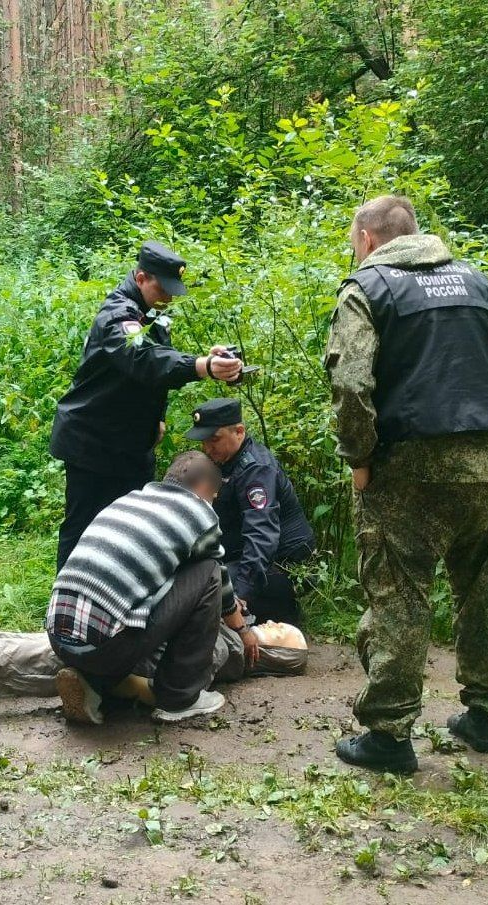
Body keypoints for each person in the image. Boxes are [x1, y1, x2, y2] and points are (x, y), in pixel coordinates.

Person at [324, 195, 488, 774]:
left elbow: (351, 383)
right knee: (480, 591)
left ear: (367, 238)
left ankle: (390, 736)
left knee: (399, 597)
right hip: (485, 462)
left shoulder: (366, 289)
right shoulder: (477, 285)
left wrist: (359, 457)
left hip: (406, 470)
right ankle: (486, 716)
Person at [50, 241, 243, 570]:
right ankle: (65, 598)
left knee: (130, 527)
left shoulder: (152, 313)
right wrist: (201, 366)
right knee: (84, 528)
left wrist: (159, 417)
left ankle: (118, 595)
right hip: (91, 442)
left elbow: (158, 371)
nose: (169, 298)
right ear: (141, 278)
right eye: (163, 289)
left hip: (131, 444)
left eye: (173, 290)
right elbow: (143, 359)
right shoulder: (117, 314)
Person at [47, 450, 256, 725]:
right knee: (209, 572)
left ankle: (92, 684)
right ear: (204, 488)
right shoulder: (198, 512)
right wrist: (243, 630)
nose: (211, 503)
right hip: (105, 647)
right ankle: (180, 697)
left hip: (57, 637)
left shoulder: (131, 500)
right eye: (213, 497)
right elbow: (220, 580)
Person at [0, 621, 309, 737]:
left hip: (108, 655)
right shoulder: (225, 635)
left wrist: (118, 682)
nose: (271, 623)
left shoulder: (222, 647)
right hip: (110, 648)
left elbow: (177, 689)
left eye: (278, 632)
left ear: (271, 654)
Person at [185, 398, 316, 626]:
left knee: (208, 589)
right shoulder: (225, 460)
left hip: (284, 566)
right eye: (203, 441)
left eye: (214, 440)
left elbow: (261, 538)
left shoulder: (256, 471)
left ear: (239, 432)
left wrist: (240, 596)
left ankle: (275, 613)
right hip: (241, 556)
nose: (207, 448)